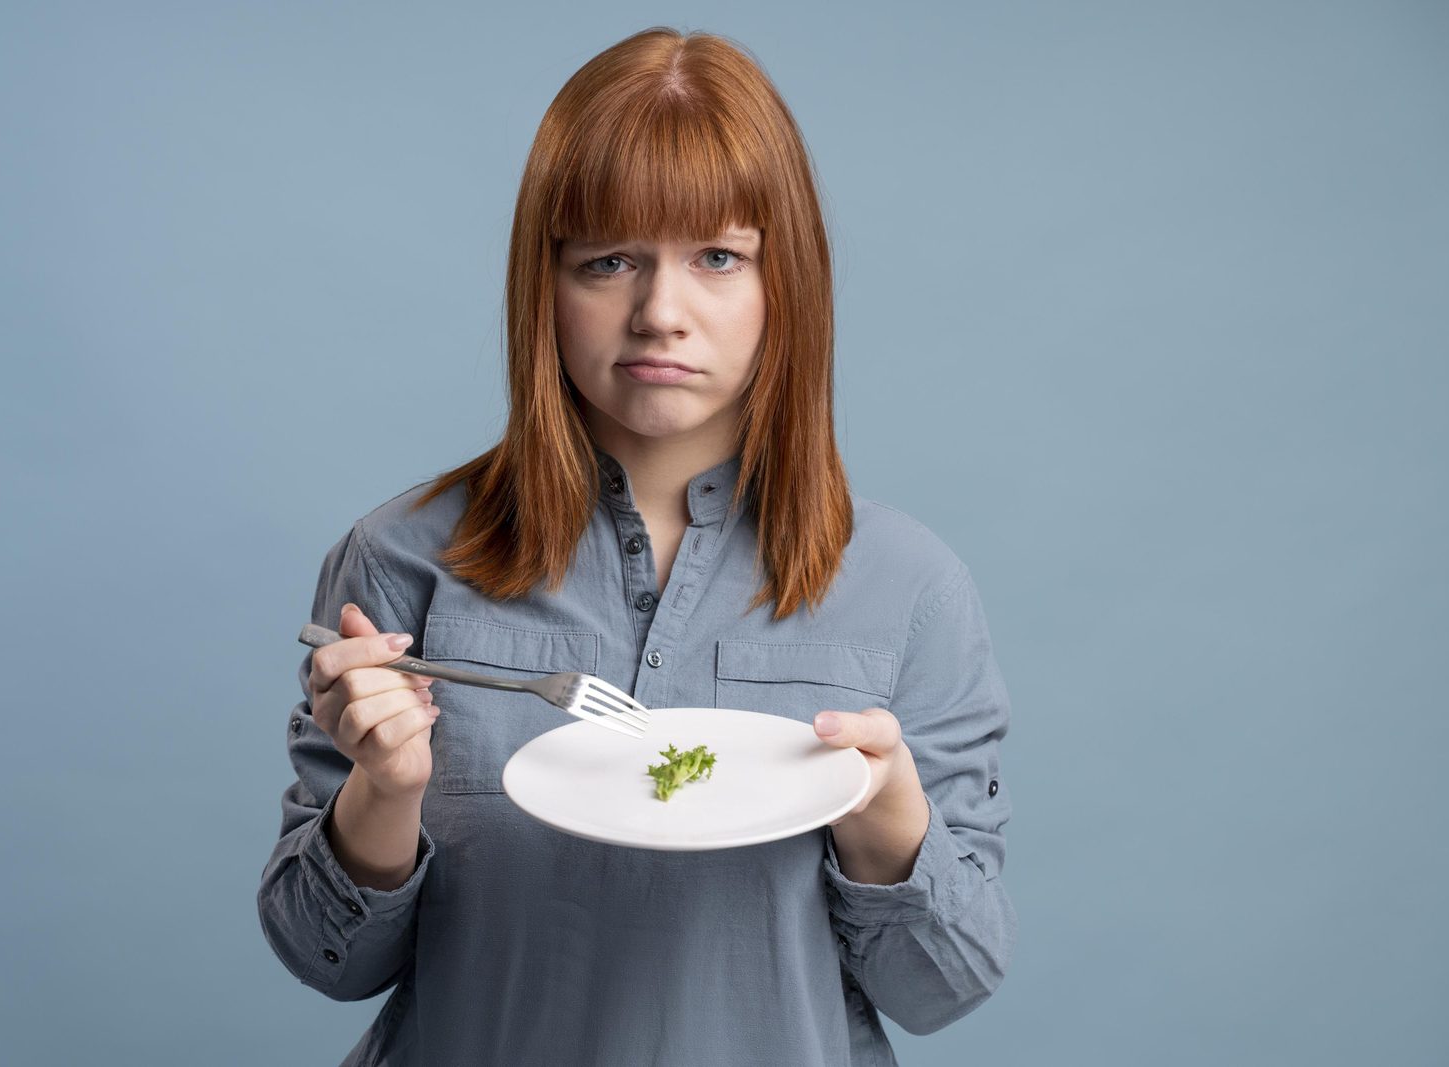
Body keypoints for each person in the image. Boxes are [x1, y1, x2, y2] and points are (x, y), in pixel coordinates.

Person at [257, 26, 1015, 1067]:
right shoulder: (400, 560)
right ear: (545, 285)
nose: (661, 313)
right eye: (608, 259)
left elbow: (945, 986)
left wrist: (884, 817)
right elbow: (323, 956)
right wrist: (381, 790)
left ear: (781, 282)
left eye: (717, 256)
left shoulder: (908, 585)